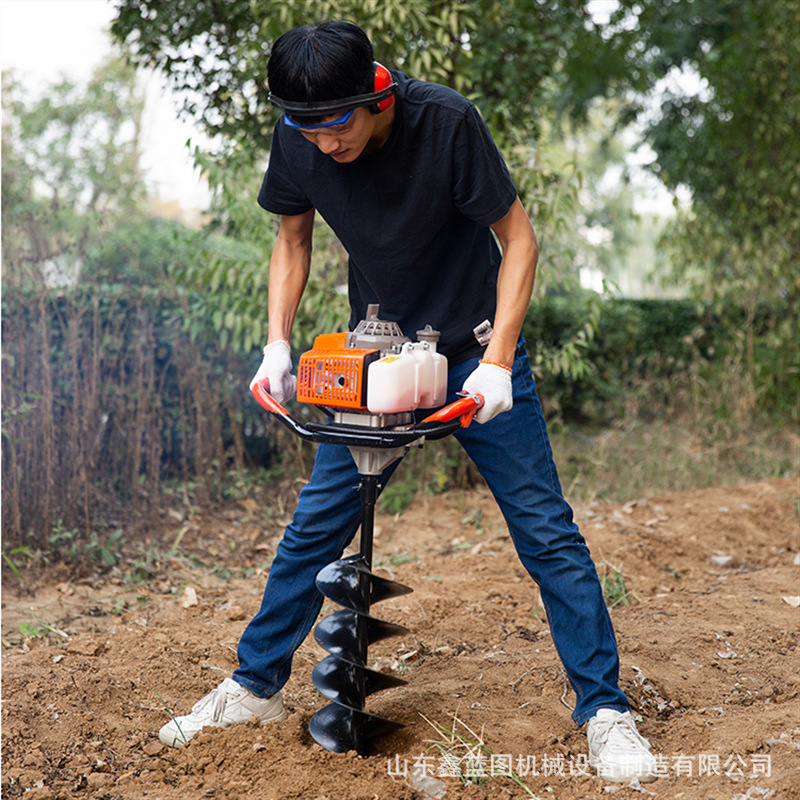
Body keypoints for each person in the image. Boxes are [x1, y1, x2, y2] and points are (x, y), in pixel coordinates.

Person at [158, 20, 658, 784]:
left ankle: (606, 712)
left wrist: (493, 364)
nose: (325, 146)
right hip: (384, 355)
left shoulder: (447, 123)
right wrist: (276, 345)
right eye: (307, 129)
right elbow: (293, 242)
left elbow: (519, 241)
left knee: (546, 534)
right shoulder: (299, 137)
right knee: (312, 532)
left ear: (378, 95)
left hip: (474, 353)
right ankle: (255, 687)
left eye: (338, 126)